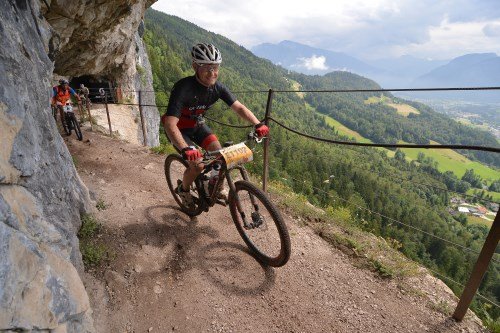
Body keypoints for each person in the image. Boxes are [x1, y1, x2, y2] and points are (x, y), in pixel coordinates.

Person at [161, 43, 269, 206]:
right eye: (207, 68)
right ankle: (183, 190)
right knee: (197, 166)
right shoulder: (183, 88)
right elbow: (170, 123)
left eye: (215, 67)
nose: (212, 73)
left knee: (220, 155)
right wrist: (186, 149)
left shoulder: (217, 88)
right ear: (195, 66)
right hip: (179, 130)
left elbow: (239, 107)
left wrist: (257, 123)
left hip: (197, 125)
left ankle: (217, 188)